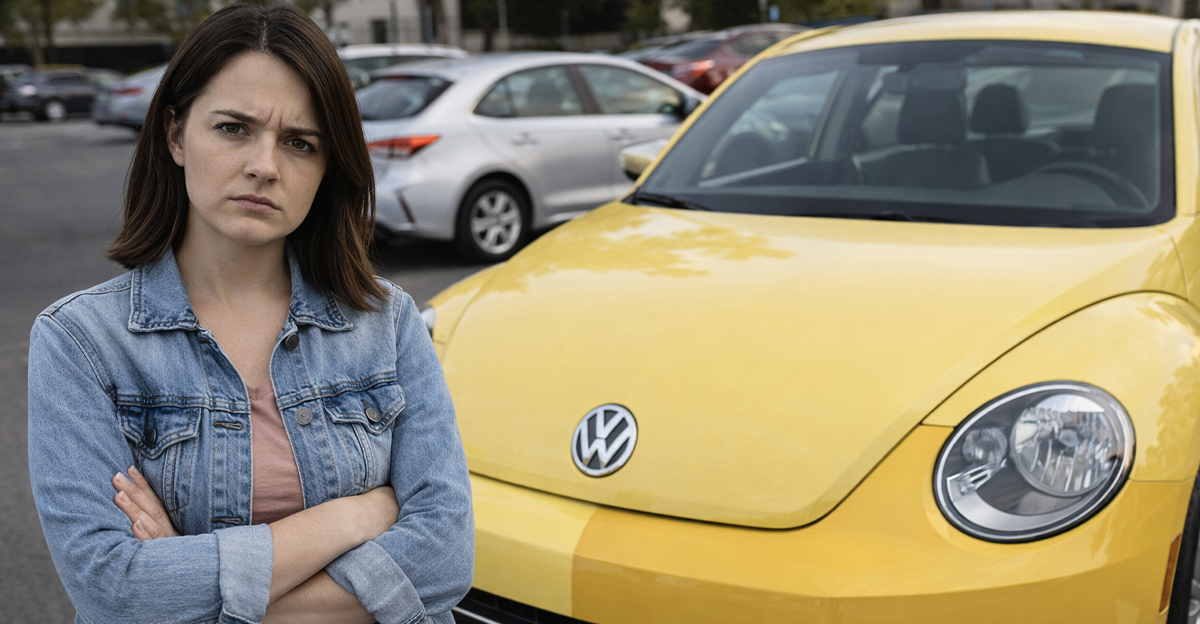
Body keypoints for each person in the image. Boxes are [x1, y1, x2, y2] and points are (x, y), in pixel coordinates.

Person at [25, 4, 473, 623]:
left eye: (299, 142)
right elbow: (113, 590)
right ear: (176, 134)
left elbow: (445, 558)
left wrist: (190, 578)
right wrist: (350, 517)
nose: (266, 165)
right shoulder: (82, 342)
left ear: (326, 167)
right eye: (234, 128)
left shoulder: (386, 321)